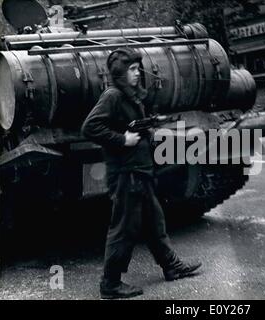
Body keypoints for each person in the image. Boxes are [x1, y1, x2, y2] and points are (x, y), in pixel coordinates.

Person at [82, 48, 201, 300]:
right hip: (126, 174)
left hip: (140, 170)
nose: (138, 73)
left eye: (138, 68)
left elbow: (131, 125)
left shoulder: (131, 96)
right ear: (120, 74)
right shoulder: (113, 95)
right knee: (124, 228)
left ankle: (171, 265)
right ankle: (110, 284)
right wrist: (121, 139)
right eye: (132, 69)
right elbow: (90, 127)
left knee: (154, 221)